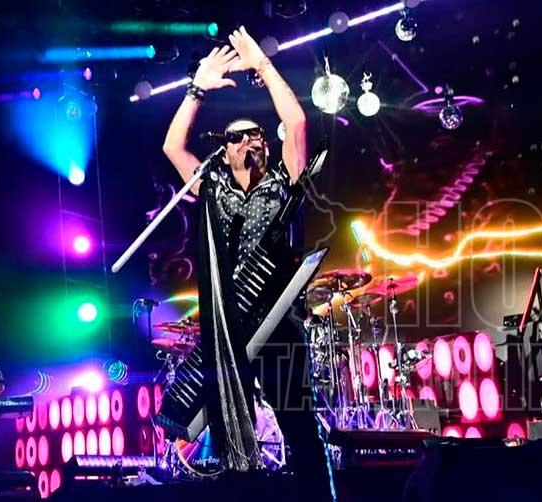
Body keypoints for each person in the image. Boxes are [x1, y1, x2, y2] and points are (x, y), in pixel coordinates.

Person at [162, 27, 332, 498]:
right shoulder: (211, 188)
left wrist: (263, 65)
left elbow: (296, 122)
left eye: (255, 134)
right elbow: (173, 148)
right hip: (229, 329)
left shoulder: (283, 183)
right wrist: (197, 89)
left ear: (265, 144)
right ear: (225, 149)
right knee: (229, 441)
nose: (248, 141)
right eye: (237, 137)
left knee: (300, 428)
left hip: (278, 324)